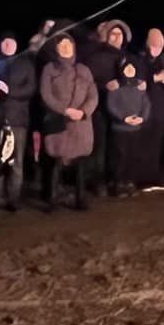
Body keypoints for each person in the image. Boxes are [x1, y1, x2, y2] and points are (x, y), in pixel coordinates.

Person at [38, 32, 99, 211]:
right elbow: (46, 94)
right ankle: (53, 199)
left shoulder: (84, 70)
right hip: (59, 122)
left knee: (80, 163)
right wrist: (64, 110)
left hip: (80, 124)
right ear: (56, 48)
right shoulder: (49, 69)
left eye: (68, 44)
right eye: (61, 44)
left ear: (74, 47)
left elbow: (93, 95)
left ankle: (81, 198)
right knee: (56, 161)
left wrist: (83, 112)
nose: (65, 47)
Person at [82, 21, 133, 196]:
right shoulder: (96, 56)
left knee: (118, 146)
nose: (117, 37)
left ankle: (116, 180)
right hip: (100, 108)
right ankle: (97, 181)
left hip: (121, 110)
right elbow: (87, 82)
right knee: (99, 146)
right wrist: (105, 86)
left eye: (120, 34)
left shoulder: (126, 57)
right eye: (113, 34)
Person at [0, 34, 35, 212]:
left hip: (18, 120)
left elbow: (29, 89)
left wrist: (7, 91)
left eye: (11, 42)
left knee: (16, 161)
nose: (7, 45)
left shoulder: (26, 63)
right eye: (4, 41)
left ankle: (14, 198)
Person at [135, 28, 164, 187]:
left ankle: (153, 176)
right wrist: (155, 78)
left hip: (162, 112)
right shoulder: (140, 60)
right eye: (153, 46)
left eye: (159, 47)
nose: (156, 49)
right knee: (143, 144)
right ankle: (141, 177)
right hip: (144, 110)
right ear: (148, 45)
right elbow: (139, 83)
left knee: (156, 145)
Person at [104, 59, 150, 197]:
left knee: (133, 156)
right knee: (120, 157)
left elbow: (146, 104)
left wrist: (143, 118)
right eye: (127, 68)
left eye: (132, 68)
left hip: (135, 129)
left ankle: (130, 182)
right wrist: (123, 118)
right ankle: (119, 183)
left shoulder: (139, 88)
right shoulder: (115, 88)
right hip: (120, 129)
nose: (130, 71)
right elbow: (111, 106)